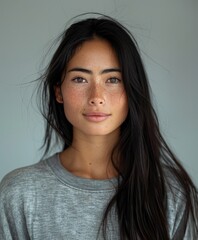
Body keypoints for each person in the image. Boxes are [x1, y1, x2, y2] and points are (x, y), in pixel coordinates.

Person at [0, 14, 197, 240]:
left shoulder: (169, 192)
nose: (97, 97)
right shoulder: (19, 193)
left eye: (113, 79)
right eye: (80, 79)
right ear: (58, 92)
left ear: (132, 89)